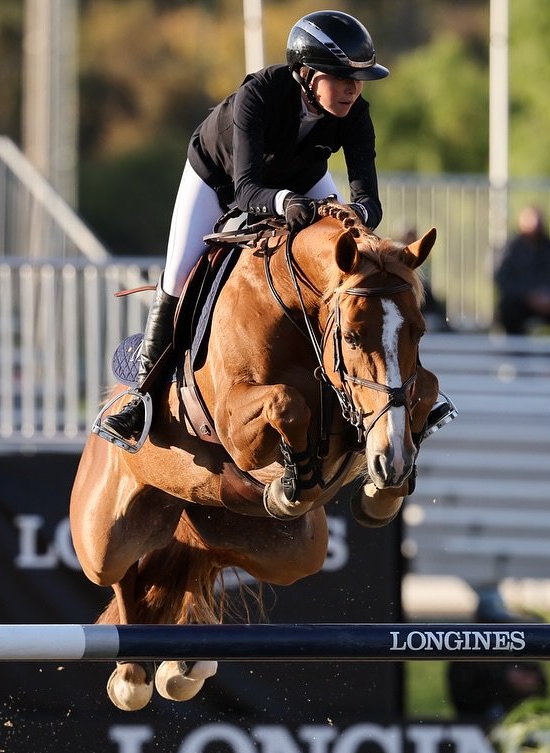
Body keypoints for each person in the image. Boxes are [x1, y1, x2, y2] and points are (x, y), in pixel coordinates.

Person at [98, 11, 454, 450]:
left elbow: (370, 201)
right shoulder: (259, 96)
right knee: (178, 274)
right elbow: (247, 189)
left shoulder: (356, 113)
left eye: (359, 80)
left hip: (302, 179)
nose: (353, 89)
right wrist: (285, 203)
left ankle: (402, 385)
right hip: (218, 179)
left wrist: (353, 212)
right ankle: (143, 397)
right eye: (342, 78)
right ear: (307, 75)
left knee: (357, 255)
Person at [492, 205, 550, 336]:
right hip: (521, 303)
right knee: (509, 311)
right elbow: (503, 280)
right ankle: (515, 348)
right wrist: (528, 296)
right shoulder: (510, 251)